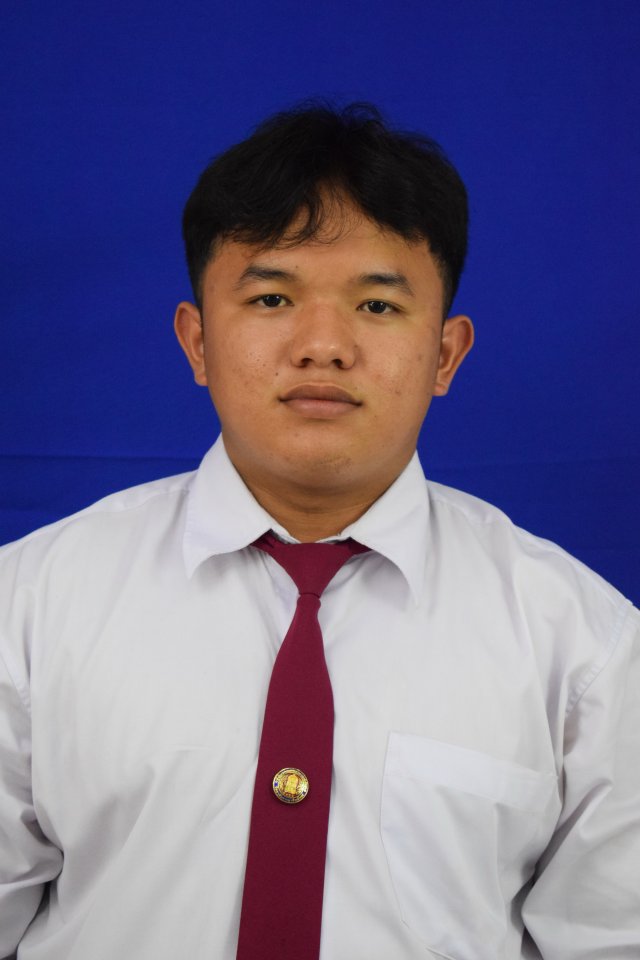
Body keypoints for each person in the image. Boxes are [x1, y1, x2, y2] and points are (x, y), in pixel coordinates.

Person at [0, 102, 638, 960]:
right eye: (271, 297)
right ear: (197, 341)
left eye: (377, 305)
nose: (324, 345)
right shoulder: (29, 608)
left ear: (446, 355)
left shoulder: (586, 647)